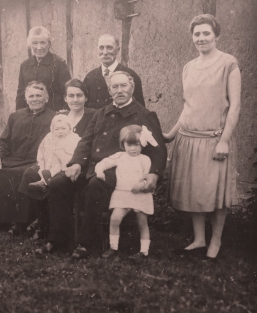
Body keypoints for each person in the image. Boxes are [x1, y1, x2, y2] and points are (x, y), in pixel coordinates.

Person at [36, 71, 167, 257]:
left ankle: (85, 243)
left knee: (95, 186)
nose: (119, 90)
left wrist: (154, 173)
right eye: (115, 87)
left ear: (132, 88)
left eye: (123, 86)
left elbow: (158, 149)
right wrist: (75, 163)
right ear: (109, 90)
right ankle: (56, 239)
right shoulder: (101, 113)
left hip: (118, 171)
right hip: (89, 168)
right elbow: (86, 141)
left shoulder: (144, 115)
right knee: (58, 183)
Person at [164, 14, 241, 261]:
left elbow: (235, 107)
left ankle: (215, 241)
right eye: (196, 34)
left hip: (214, 139)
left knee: (216, 195)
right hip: (188, 138)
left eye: (206, 33)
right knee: (195, 193)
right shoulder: (188, 67)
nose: (201, 38)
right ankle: (199, 239)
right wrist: (171, 134)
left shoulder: (229, 64)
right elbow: (188, 107)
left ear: (216, 36)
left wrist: (224, 141)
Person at [19, 79, 96, 239]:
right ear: (65, 98)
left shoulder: (92, 116)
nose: (75, 100)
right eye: (71, 96)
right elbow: (49, 141)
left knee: (56, 182)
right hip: (55, 161)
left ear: (86, 97)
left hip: (79, 166)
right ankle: (42, 220)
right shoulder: (60, 117)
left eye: (79, 95)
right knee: (30, 174)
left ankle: (57, 233)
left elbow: (91, 145)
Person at [0, 81, 55, 232]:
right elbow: (3, 141)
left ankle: (19, 222)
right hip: (13, 159)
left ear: (46, 98)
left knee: (23, 174)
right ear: (26, 99)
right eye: (31, 96)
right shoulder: (15, 116)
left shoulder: (53, 117)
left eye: (39, 95)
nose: (35, 99)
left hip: (36, 161)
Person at [95, 125, 157, 260]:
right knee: (115, 218)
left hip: (140, 195)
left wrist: (141, 185)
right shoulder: (119, 156)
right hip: (122, 194)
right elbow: (103, 163)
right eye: (129, 145)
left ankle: (144, 251)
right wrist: (99, 171)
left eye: (136, 144)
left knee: (142, 222)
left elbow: (148, 178)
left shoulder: (145, 159)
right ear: (123, 144)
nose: (133, 148)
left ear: (142, 144)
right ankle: (113, 247)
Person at [16, 26, 71, 111]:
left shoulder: (59, 64)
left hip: (53, 114)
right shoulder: (25, 65)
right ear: (30, 45)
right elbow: (20, 94)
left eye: (42, 43)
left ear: (49, 44)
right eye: (35, 43)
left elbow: (67, 92)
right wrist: (19, 116)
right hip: (30, 115)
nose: (39, 47)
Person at [83, 34, 145, 108]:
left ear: (118, 50)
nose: (105, 52)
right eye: (101, 48)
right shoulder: (90, 77)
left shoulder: (131, 75)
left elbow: (140, 110)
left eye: (109, 48)